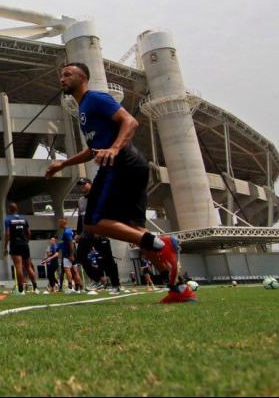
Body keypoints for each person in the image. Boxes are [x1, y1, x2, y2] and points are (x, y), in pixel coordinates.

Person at [45, 62, 194, 303]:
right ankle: (180, 288)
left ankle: (160, 243)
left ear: (82, 77)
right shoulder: (83, 110)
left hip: (121, 163)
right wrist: (63, 163)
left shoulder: (95, 99)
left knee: (93, 222)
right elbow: (93, 149)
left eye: (67, 74)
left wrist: (114, 148)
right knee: (136, 231)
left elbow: (130, 122)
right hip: (129, 165)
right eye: (61, 75)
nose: (62, 79)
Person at [75, 177, 123, 294]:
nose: (82, 186)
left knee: (107, 259)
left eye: (84, 183)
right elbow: (80, 218)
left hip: (100, 232)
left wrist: (101, 230)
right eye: (80, 184)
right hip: (86, 233)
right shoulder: (81, 200)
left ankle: (116, 284)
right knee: (80, 255)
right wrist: (78, 233)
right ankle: (98, 278)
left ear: (90, 184)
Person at [4, 201, 38, 295]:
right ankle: (35, 288)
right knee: (28, 266)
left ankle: (21, 290)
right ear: (17, 209)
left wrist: (5, 247)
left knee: (18, 267)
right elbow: (29, 233)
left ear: (9, 210)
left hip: (15, 244)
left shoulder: (8, 219)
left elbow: (7, 234)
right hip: (24, 244)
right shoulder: (24, 218)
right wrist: (26, 241)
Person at [58, 218, 82, 293]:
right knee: (75, 271)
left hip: (68, 254)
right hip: (72, 253)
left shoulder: (67, 232)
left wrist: (71, 255)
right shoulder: (69, 230)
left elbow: (71, 243)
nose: (58, 224)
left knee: (67, 270)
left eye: (59, 223)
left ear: (63, 223)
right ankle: (77, 289)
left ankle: (70, 288)